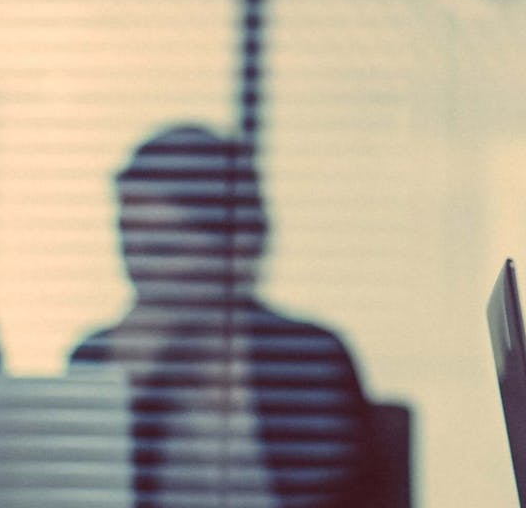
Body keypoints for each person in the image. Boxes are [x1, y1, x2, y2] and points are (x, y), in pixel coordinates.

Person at [70, 125, 389, 507]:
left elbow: (344, 494)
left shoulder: (308, 359)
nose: (139, 271)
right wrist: (122, 394)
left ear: (237, 250)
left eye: (164, 249)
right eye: (128, 243)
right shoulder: (98, 360)